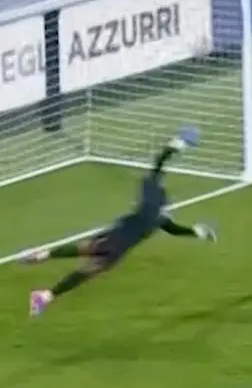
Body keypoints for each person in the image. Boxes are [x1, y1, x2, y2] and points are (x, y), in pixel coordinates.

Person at [21, 128, 217, 317]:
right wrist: (176, 144)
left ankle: (44, 289)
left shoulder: (158, 218)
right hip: (116, 238)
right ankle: (42, 270)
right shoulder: (153, 208)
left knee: (87, 268)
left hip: (118, 247)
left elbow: (174, 229)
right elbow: (158, 166)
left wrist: (198, 232)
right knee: (86, 256)